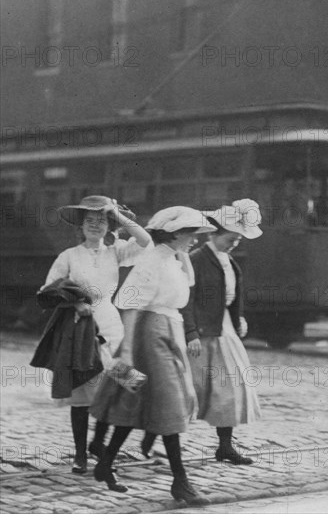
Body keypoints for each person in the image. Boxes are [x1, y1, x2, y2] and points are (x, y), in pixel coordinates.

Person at [89, 206, 215, 505]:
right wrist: (129, 352)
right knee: (169, 404)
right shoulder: (153, 260)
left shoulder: (171, 258)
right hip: (149, 335)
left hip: (169, 332)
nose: (196, 241)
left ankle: (105, 462)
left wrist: (181, 253)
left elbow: (189, 287)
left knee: (139, 402)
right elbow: (129, 304)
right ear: (174, 234)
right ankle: (180, 481)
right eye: (191, 235)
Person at [40, 195, 151, 474]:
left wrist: (118, 216)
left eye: (101, 221)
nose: (95, 226)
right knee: (82, 395)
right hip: (80, 330)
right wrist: (75, 301)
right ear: (81, 226)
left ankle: (98, 442)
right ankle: (80, 454)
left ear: (109, 226)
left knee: (121, 386)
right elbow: (48, 290)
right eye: (90, 221)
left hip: (113, 328)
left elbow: (146, 241)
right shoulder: (69, 256)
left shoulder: (117, 251)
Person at [180, 199, 263, 466]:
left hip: (223, 329)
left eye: (238, 240)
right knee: (188, 390)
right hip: (202, 333)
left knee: (229, 388)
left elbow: (230, 296)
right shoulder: (196, 260)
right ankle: (156, 441)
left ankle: (225, 446)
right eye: (231, 238)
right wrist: (191, 332)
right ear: (214, 234)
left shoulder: (229, 262)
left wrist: (238, 318)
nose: (234, 244)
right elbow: (186, 300)